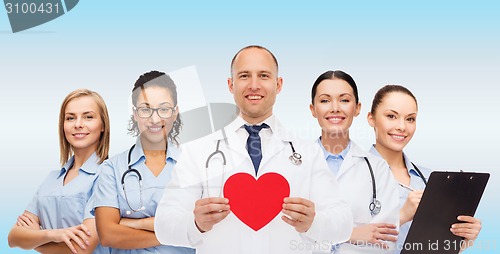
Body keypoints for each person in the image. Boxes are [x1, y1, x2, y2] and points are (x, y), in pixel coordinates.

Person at [154, 45, 353, 254]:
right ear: (231, 85)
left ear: (278, 84)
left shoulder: (307, 152)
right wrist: (195, 224)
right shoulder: (199, 150)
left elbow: (344, 223)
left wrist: (314, 223)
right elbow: (164, 224)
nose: (254, 85)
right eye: (244, 76)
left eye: (264, 76)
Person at [367, 84, 482, 253]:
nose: (402, 127)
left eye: (410, 119)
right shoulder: (350, 173)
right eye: (391, 116)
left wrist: (463, 238)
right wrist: (402, 215)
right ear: (371, 119)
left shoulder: (431, 179)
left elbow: (438, 246)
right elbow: (338, 242)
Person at [92, 71, 194, 253]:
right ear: (135, 113)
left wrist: (135, 224)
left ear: (175, 112)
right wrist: (174, 233)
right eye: (146, 109)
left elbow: (201, 228)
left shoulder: (193, 166)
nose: (155, 119)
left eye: (164, 109)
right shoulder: (112, 169)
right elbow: (108, 234)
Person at [8, 89, 110, 254]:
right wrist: (53, 234)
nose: (78, 124)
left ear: (103, 125)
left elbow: (81, 247)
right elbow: (13, 238)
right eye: (70, 118)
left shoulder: (107, 176)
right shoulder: (51, 179)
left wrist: (34, 240)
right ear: (63, 126)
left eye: (88, 117)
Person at [309, 70, 399, 253]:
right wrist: (352, 234)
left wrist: (318, 231)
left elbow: (385, 241)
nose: (335, 108)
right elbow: (285, 234)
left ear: (357, 108)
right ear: (313, 109)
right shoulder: (295, 163)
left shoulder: (378, 169)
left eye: (344, 100)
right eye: (325, 100)